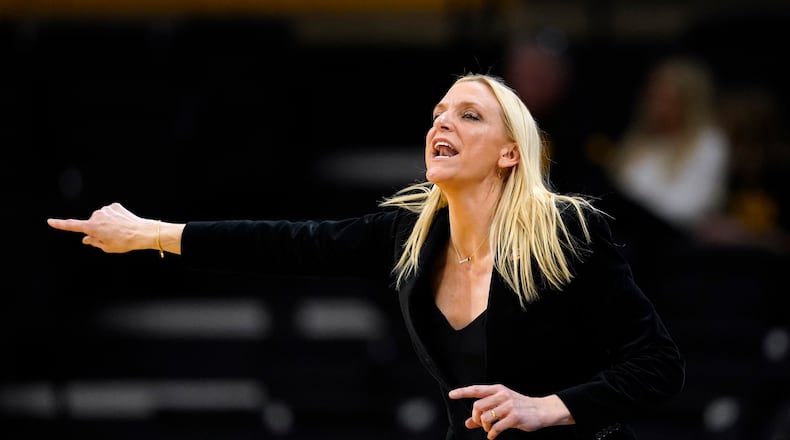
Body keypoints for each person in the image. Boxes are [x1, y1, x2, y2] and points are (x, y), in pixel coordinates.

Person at [48, 73, 685, 440]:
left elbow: (658, 365)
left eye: (468, 115)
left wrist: (548, 406)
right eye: (438, 113)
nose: (443, 123)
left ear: (509, 152)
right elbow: (286, 243)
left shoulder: (567, 232)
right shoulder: (405, 237)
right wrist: (150, 232)